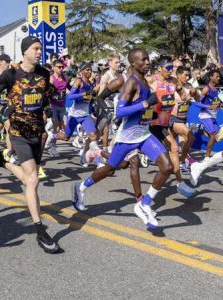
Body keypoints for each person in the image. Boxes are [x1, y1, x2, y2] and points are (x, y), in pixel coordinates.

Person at [73, 49, 173, 229]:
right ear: (133, 63)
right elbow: (120, 110)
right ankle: (81, 187)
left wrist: (151, 109)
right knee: (111, 168)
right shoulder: (130, 82)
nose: (147, 62)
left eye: (148, 59)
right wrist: (141, 104)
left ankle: (144, 204)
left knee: (167, 167)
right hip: (127, 138)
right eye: (143, 60)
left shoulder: (142, 79)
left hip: (143, 134)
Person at [0, 35, 60, 253]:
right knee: (33, 180)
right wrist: (1, 110)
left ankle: (4, 162)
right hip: (18, 132)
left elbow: (46, 95)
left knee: (30, 179)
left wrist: (48, 109)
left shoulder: (44, 73)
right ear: (25, 51)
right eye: (36, 49)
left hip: (37, 133)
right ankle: (40, 230)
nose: (40, 52)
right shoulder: (10, 74)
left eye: (40, 49)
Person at [149, 57, 196, 197]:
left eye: (173, 69)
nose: (171, 71)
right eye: (168, 68)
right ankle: (100, 153)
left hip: (162, 123)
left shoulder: (174, 82)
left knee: (174, 148)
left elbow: (183, 97)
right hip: (148, 122)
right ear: (159, 68)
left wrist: (185, 92)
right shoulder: (152, 80)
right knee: (122, 162)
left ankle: (180, 184)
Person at [48, 59, 69, 157]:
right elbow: (47, 93)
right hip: (53, 106)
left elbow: (70, 88)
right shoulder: (51, 79)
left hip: (62, 106)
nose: (61, 69)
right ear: (53, 67)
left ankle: (49, 137)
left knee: (65, 128)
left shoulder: (65, 77)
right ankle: (52, 147)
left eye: (62, 67)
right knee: (56, 127)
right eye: (59, 67)